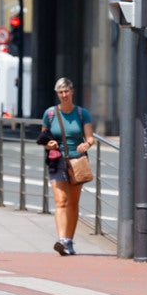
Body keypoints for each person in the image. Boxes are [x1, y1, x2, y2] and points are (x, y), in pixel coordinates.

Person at [39, 77, 95, 256]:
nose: (64, 95)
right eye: (60, 92)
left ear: (72, 92)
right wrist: (49, 144)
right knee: (61, 201)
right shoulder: (50, 114)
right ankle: (62, 240)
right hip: (56, 161)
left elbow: (90, 137)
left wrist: (86, 145)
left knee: (73, 202)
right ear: (57, 94)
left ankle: (69, 241)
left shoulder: (82, 113)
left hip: (77, 161)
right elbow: (43, 138)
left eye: (66, 91)